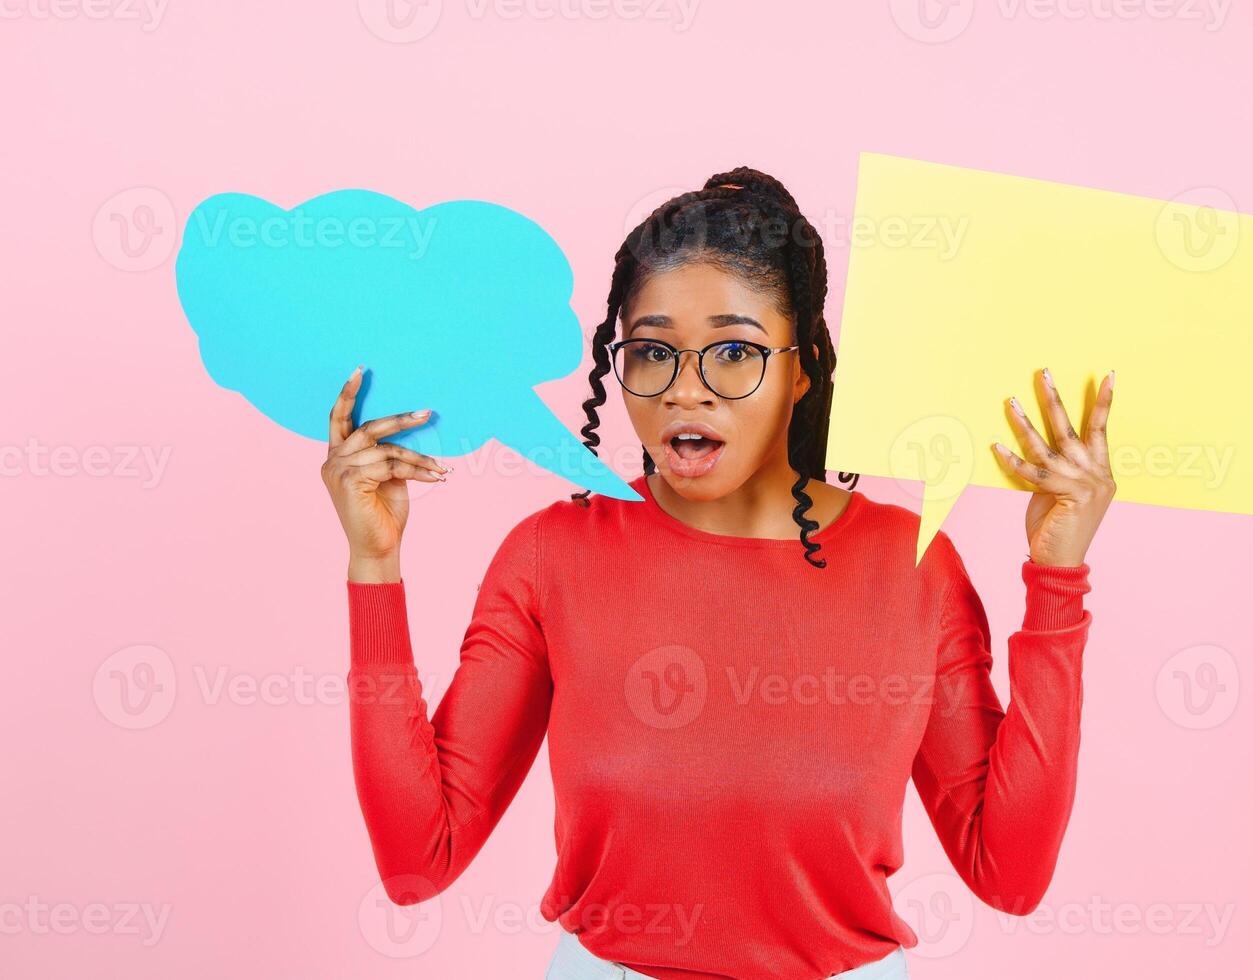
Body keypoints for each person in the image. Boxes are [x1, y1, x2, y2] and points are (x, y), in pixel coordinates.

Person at [322, 167, 1117, 980]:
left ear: (802, 367)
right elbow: (418, 857)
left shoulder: (911, 568)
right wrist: (374, 564)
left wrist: (1057, 577)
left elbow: (1009, 876)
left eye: (733, 351)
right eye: (654, 351)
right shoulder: (550, 557)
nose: (686, 390)